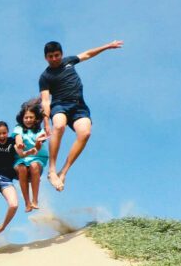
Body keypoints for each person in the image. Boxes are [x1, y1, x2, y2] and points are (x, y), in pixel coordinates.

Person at [39, 39, 123, 191]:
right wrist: (46, 123)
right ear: (46, 57)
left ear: (61, 54)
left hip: (79, 106)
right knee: (58, 126)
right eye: (50, 56)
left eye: (56, 55)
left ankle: (63, 172)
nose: (54, 59)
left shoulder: (69, 61)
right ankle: (52, 170)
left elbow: (88, 54)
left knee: (85, 133)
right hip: (59, 105)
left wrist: (107, 46)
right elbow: (45, 101)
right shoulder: (45, 76)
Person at [13, 98, 49, 212]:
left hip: (37, 157)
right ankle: (27, 202)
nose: (28, 120)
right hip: (22, 157)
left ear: (35, 119)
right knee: (22, 168)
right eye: (26, 118)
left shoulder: (39, 130)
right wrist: (19, 144)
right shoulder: (18, 128)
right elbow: (18, 137)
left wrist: (39, 142)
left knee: (34, 165)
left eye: (31, 117)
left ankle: (35, 200)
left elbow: (40, 142)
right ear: (22, 118)